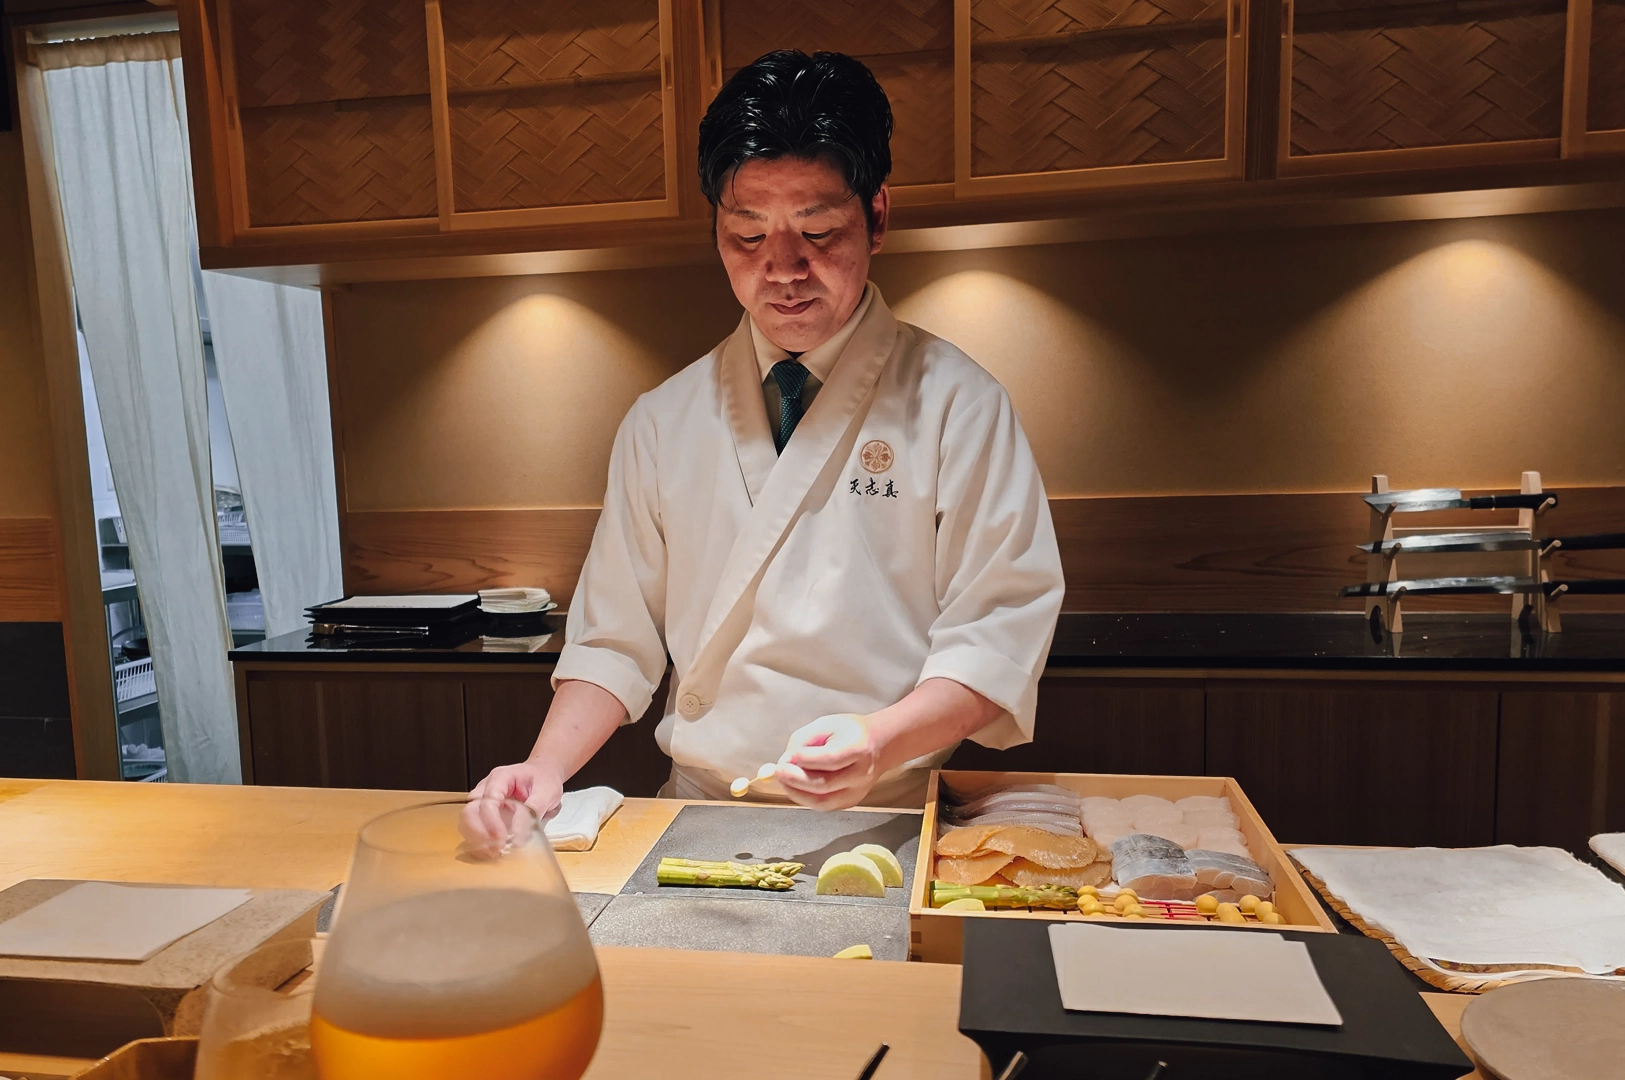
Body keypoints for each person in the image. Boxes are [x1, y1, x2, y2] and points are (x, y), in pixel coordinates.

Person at [466, 50, 1062, 834]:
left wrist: (877, 744)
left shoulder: (958, 404)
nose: (782, 270)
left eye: (817, 231)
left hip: (880, 814)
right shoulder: (662, 419)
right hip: (694, 812)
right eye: (746, 236)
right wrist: (543, 768)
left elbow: (996, 636)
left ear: (876, 217)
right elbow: (616, 639)